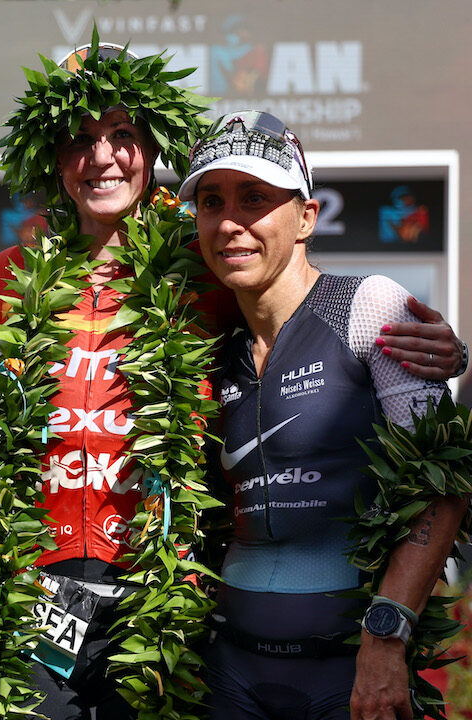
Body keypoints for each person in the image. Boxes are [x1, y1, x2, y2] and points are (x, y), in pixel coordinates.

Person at [0, 45, 465, 719]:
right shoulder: (32, 277)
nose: (103, 156)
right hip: (103, 622)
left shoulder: (220, 273)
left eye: (124, 135)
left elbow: (312, 307)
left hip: (189, 620)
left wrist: (445, 354)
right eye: (81, 139)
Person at [175, 110, 468, 720]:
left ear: (307, 216)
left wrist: (385, 642)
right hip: (229, 676)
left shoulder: (367, 307)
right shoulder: (210, 344)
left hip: (350, 678)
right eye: (211, 201)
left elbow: (442, 488)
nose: (230, 222)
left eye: (255, 198)